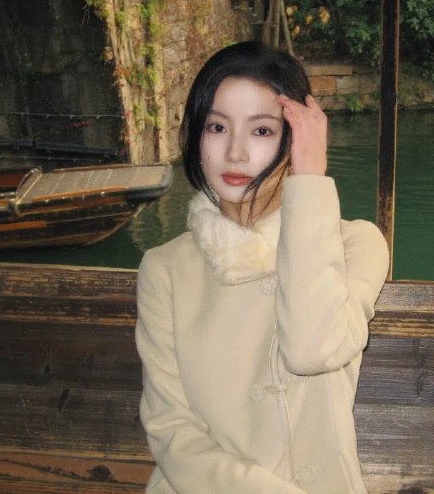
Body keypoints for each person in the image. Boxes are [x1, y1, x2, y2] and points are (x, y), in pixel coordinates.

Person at [135, 41, 390, 494]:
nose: (235, 153)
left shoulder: (355, 245)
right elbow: (172, 429)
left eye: (262, 131)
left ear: (295, 139)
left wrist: (309, 179)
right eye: (217, 127)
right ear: (196, 136)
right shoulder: (165, 270)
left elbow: (312, 350)